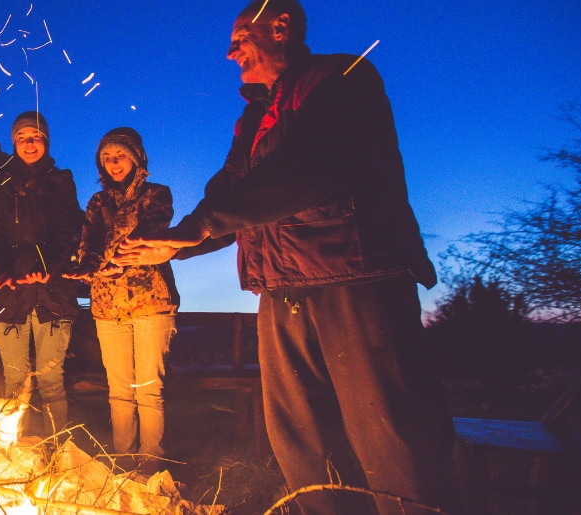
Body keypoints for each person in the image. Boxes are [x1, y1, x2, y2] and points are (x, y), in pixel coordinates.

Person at [116, 1, 460, 514]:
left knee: (389, 435)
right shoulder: (254, 117)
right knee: (302, 439)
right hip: (280, 290)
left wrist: (203, 226)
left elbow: (308, 168)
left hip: (353, 275)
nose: (230, 51)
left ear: (280, 27)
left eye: (240, 36)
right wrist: (180, 240)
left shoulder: (342, 77)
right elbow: (232, 191)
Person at [62, 128, 178, 471]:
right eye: (107, 158)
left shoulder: (156, 195)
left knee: (148, 390)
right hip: (107, 305)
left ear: (136, 157)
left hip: (150, 302)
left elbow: (149, 233)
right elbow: (91, 242)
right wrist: (86, 267)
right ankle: (124, 463)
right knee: (119, 391)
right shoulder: (98, 203)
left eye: (120, 156)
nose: (114, 163)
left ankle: (150, 465)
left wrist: (113, 261)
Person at [0, 111, 83, 433]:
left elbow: (67, 229)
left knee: (52, 381)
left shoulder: (61, 181)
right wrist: (3, 272)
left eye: (36, 136)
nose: (30, 142)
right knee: (14, 380)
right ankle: (14, 451)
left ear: (46, 141)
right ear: (14, 141)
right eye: (23, 137)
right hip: (10, 295)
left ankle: (58, 453)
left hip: (53, 293)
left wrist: (48, 267)